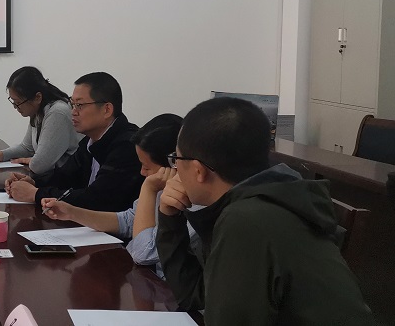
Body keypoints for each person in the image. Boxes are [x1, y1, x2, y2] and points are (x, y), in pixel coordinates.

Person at [156, 97, 373, 324]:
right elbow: (195, 294)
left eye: (176, 159)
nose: (175, 168)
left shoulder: (247, 220)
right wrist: (170, 218)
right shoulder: (268, 199)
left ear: (198, 170)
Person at [42, 114, 200, 278]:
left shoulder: (195, 202)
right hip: (145, 280)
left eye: (146, 167)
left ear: (173, 164)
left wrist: (148, 189)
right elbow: (128, 221)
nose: (142, 172)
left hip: (167, 288)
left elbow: (143, 253)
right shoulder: (163, 185)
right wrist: (71, 212)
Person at [5, 72, 142, 212]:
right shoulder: (90, 141)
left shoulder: (127, 146)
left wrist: (36, 194)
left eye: (80, 105)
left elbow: (96, 200)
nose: (73, 112)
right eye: (72, 104)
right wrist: (34, 183)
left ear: (107, 110)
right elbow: (65, 177)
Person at [0, 66, 80, 175]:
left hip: (68, 179)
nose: (15, 107)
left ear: (37, 97)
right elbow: (27, 148)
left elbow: (40, 165)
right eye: (13, 102)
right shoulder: (38, 111)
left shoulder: (57, 113)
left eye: (18, 102)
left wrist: (32, 161)